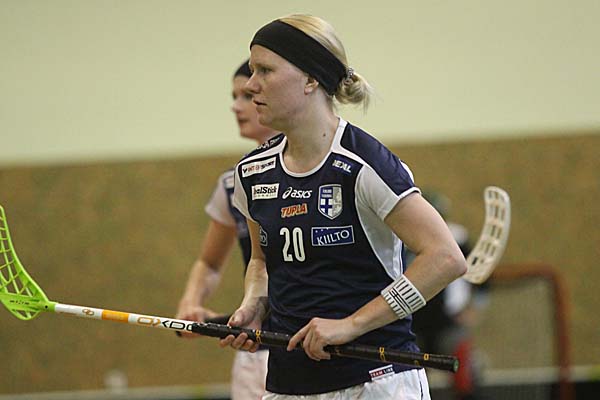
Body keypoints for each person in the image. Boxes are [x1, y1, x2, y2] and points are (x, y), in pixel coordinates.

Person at [220, 14, 467, 399]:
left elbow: (446, 258)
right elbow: (261, 261)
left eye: (265, 70)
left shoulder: (365, 164)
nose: (251, 85)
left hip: (375, 381)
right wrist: (254, 304)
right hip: (287, 383)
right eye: (252, 71)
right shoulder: (252, 172)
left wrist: (351, 324)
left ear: (310, 79)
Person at [175, 60, 277, 400]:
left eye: (246, 96)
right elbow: (209, 263)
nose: (235, 107)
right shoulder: (233, 183)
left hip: (309, 350)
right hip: (255, 353)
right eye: (234, 97)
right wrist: (191, 303)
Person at [408, 190, 488, 400]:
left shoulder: (457, 239)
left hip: (449, 322)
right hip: (414, 323)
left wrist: (473, 308)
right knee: (412, 384)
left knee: (464, 381)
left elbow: (482, 278)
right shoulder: (405, 241)